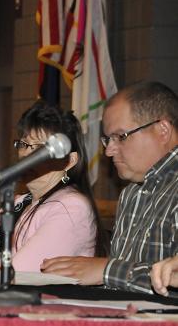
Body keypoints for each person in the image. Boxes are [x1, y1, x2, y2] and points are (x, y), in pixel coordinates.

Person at [41, 81, 178, 295]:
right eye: (107, 140)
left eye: (120, 136)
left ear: (163, 130)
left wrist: (106, 269)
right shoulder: (131, 194)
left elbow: (173, 277)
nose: (109, 151)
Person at [0, 101, 106, 272]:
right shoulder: (18, 203)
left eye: (41, 149)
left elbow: (20, 274)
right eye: (24, 144)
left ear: (69, 161)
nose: (26, 154)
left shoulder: (72, 207)